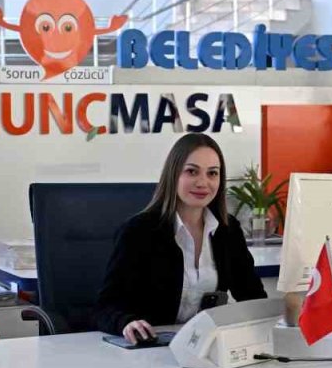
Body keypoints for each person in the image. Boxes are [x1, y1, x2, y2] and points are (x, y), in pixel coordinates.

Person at [95, 133, 266, 342]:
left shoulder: (227, 231)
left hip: (203, 346)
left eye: (212, 173)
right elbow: (105, 307)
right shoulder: (139, 231)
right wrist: (126, 322)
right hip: (149, 346)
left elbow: (253, 297)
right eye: (192, 171)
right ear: (173, 174)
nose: (203, 182)